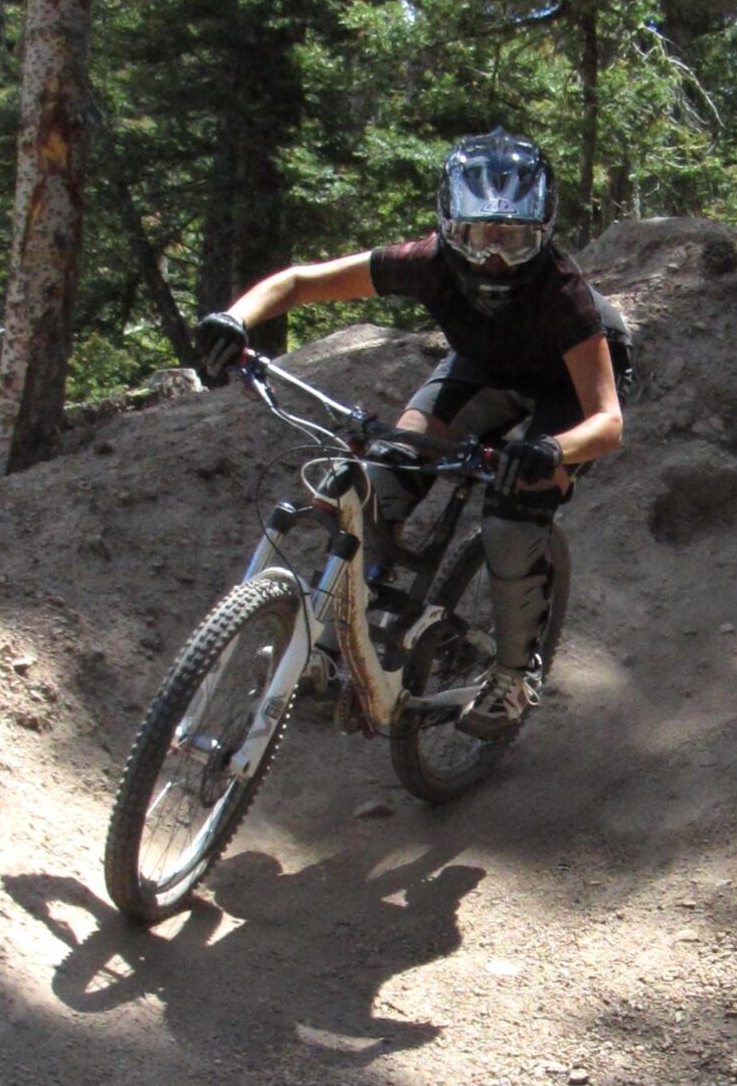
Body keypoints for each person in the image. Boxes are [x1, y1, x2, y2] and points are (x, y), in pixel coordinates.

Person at [191, 129, 626, 737]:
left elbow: (606, 423)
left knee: (512, 516)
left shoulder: (563, 295)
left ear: (544, 234)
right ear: (451, 228)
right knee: (380, 478)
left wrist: (550, 449)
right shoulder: (426, 265)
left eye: (515, 240)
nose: (494, 257)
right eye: (478, 237)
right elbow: (298, 282)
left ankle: (514, 672)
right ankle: (348, 627)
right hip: (483, 368)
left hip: (566, 385)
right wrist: (235, 319)